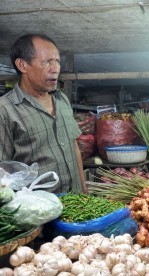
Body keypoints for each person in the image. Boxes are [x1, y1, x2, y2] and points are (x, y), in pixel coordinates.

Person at [0, 34, 86, 193]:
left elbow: (74, 148)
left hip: (76, 205)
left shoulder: (62, 100)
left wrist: (85, 193)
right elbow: (2, 173)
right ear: (22, 65)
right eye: (47, 62)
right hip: (39, 212)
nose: (55, 69)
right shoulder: (5, 110)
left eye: (57, 61)